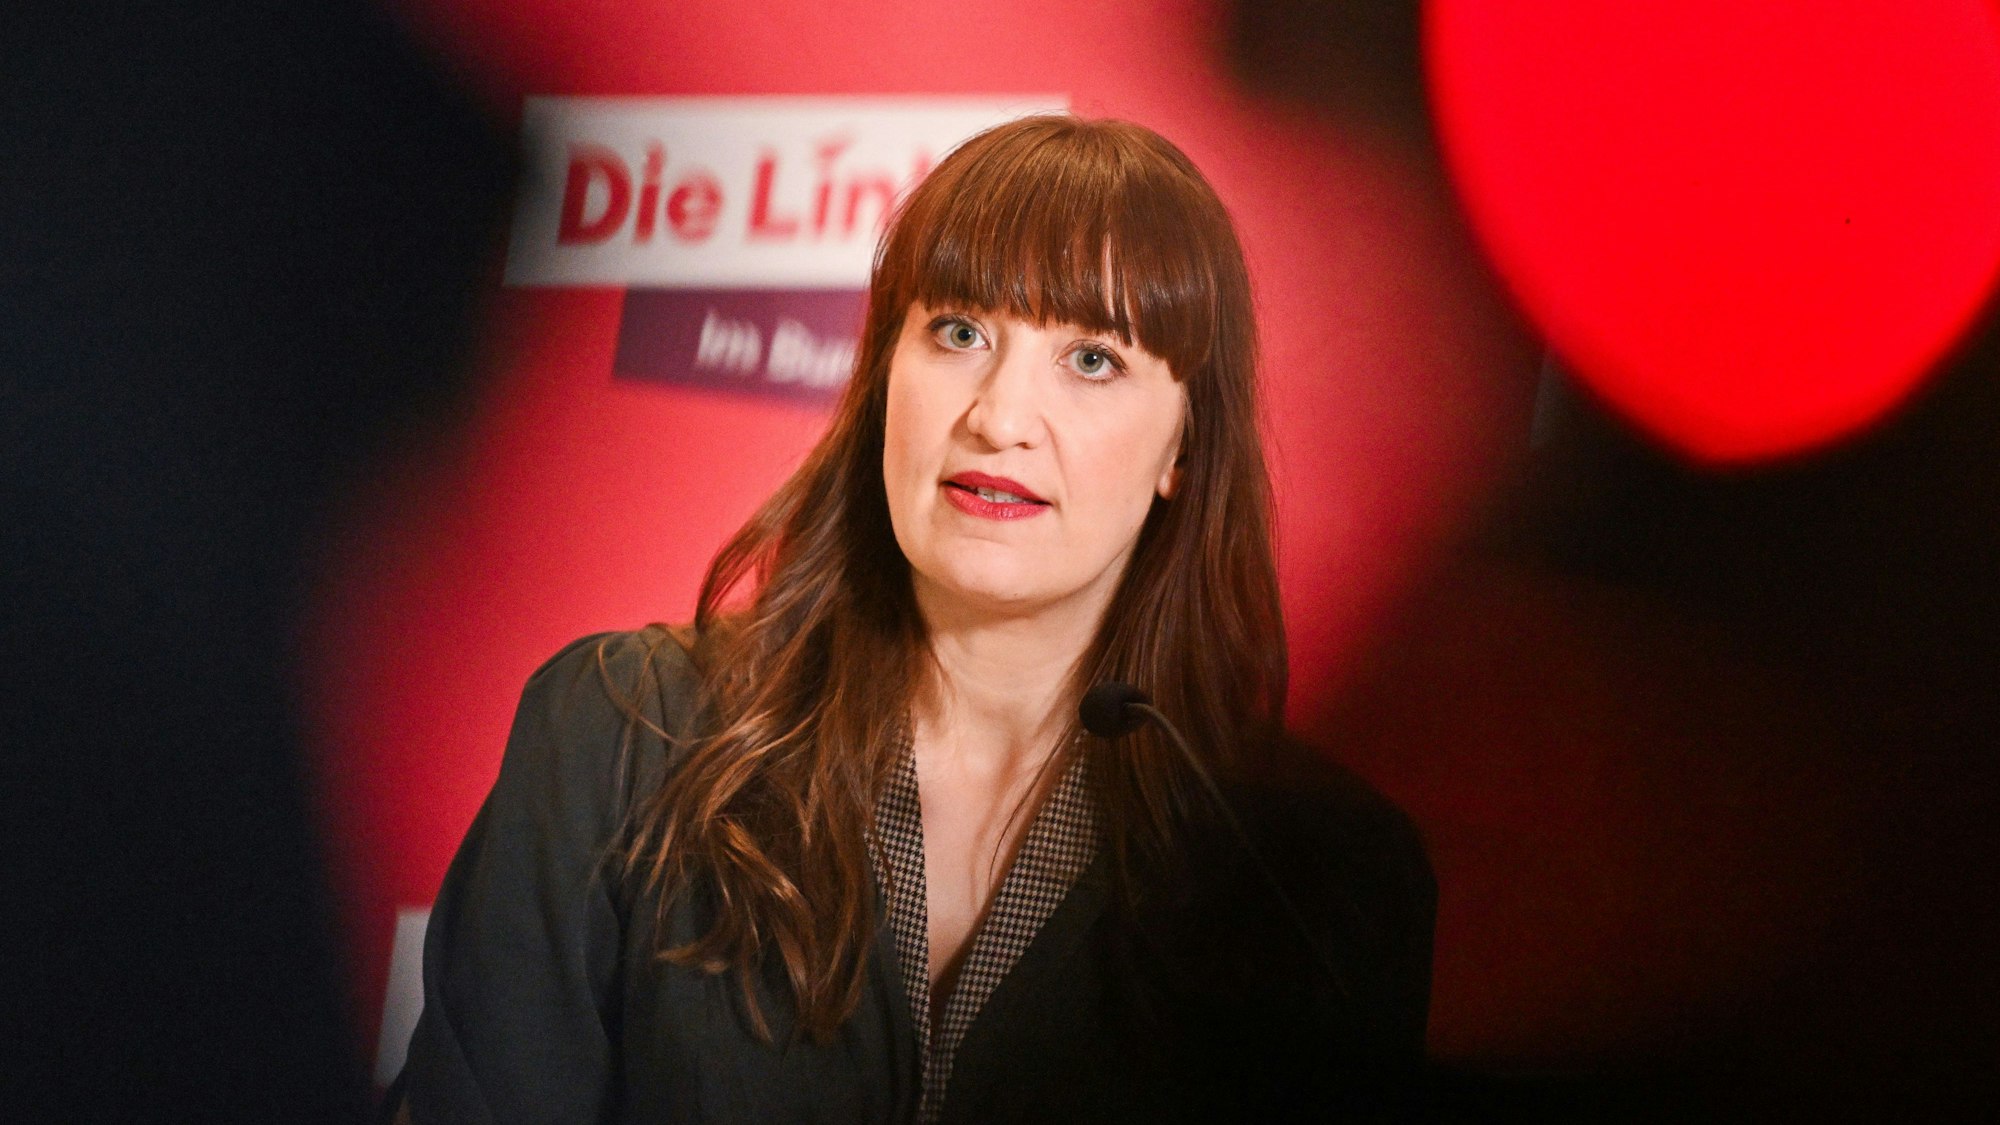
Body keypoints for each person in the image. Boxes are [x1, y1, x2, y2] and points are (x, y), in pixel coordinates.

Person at [392, 114, 1435, 1124]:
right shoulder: (621, 730)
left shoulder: (1314, 881)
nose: (996, 416)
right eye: (958, 331)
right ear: (883, 375)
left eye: (1091, 360)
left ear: (1180, 453)